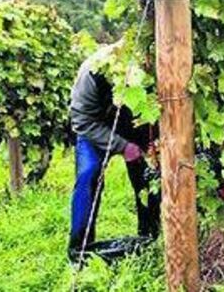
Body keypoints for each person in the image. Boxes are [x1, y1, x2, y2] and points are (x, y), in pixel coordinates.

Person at [67, 43, 161, 262]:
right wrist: (122, 146)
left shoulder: (147, 71)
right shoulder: (91, 74)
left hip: (134, 124)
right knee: (88, 174)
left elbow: (156, 110)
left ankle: (149, 237)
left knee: (147, 179)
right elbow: (81, 121)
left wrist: (153, 140)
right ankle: (79, 248)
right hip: (94, 128)